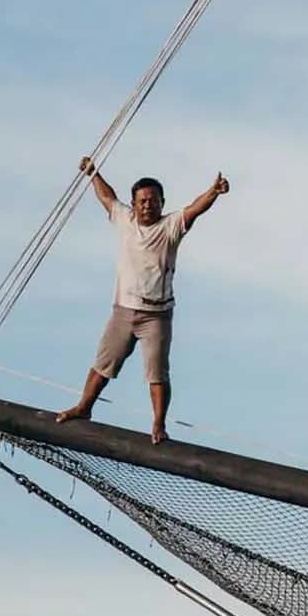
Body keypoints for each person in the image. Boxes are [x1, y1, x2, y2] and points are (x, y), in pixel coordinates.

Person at [56, 156, 229, 444]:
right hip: (124, 311)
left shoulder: (171, 226)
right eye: (142, 201)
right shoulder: (125, 219)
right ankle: (84, 407)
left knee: (157, 372)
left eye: (153, 200)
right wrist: (92, 173)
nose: (148, 205)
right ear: (134, 204)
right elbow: (107, 196)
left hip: (156, 316)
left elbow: (195, 209)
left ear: (162, 202)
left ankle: (158, 425)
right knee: (103, 363)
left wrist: (213, 192)